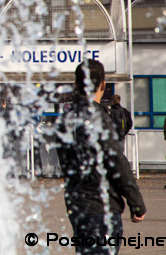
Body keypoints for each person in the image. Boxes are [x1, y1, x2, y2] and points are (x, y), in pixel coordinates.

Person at [57, 60, 146, 254]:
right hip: (101, 205)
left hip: (77, 203)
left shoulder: (66, 118)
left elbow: (65, 161)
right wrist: (136, 202)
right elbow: (117, 162)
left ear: (77, 84)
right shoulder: (98, 117)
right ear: (103, 85)